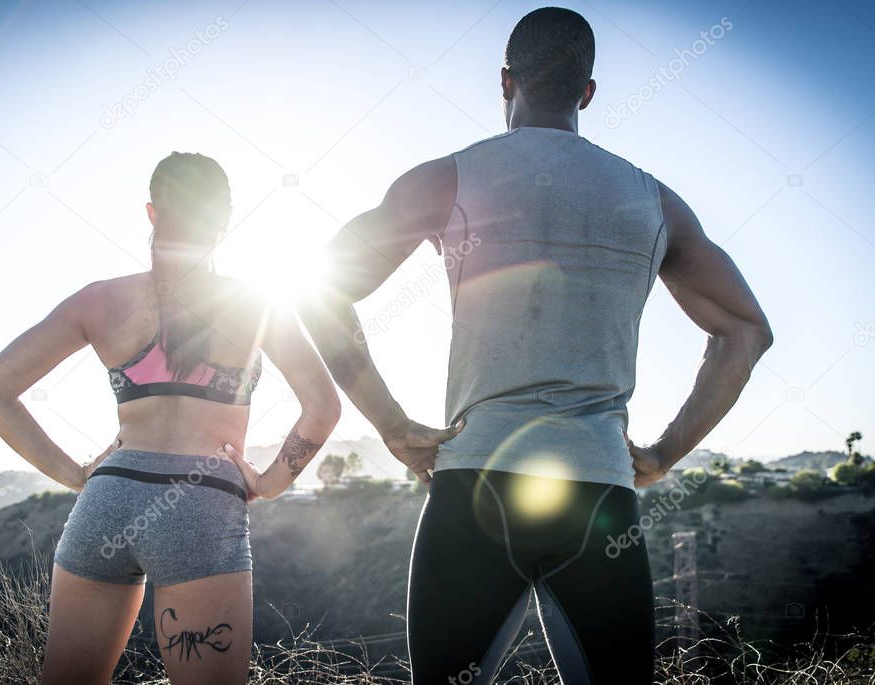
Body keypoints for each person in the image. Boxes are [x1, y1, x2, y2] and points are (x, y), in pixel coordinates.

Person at [295, 7, 773, 684]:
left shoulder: (447, 178)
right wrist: (665, 453)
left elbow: (320, 288)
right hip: (600, 499)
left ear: (504, 81)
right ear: (588, 91)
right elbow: (747, 331)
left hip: (473, 490)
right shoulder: (654, 201)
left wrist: (391, 423)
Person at [0, 151, 340, 685]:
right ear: (224, 221)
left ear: (152, 213)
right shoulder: (257, 304)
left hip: (107, 503)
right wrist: (270, 481)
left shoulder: (99, 301)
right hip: (202, 504)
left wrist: (77, 475)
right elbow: (322, 407)